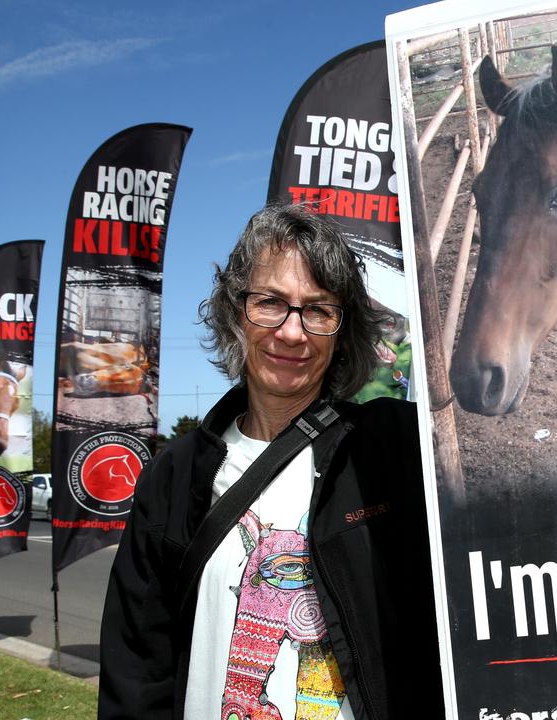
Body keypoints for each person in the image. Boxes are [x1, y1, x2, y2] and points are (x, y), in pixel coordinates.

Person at [99, 204, 443, 719]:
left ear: (341, 329)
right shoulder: (177, 475)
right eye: (271, 303)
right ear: (236, 311)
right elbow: (138, 670)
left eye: (318, 310)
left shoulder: (390, 450)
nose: (291, 332)